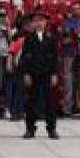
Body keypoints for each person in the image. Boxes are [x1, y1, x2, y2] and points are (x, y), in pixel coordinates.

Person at [19, 10, 60, 139]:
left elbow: (55, 57)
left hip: (47, 73)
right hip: (33, 73)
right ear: (32, 23)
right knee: (31, 101)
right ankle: (30, 128)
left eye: (41, 20)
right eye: (36, 20)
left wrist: (54, 73)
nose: (39, 23)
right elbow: (24, 57)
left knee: (50, 102)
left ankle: (51, 128)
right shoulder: (29, 38)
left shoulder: (51, 38)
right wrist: (26, 73)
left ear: (46, 22)